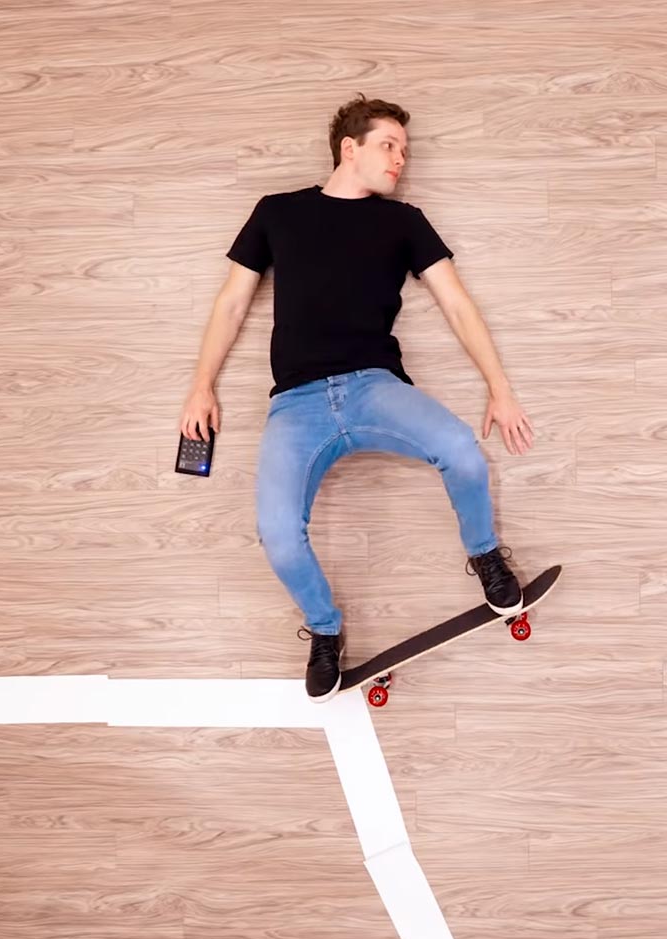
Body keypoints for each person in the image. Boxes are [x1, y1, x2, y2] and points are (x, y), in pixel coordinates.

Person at [179, 93, 537, 703]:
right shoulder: (276, 212)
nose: (400, 160)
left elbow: (456, 303)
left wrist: (499, 389)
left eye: (405, 150)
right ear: (350, 148)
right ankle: (325, 629)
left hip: (375, 388)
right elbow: (232, 302)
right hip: (295, 405)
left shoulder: (403, 222)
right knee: (277, 533)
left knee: (463, 452)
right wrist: (200, 384)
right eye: (388, 146)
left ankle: (485, 557)